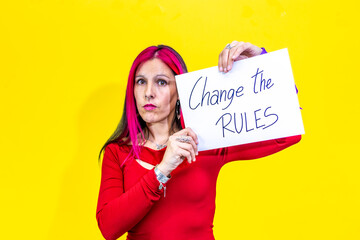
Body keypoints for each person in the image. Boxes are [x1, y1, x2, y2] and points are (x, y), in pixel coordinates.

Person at [96, 41, 301, 240]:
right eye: (141, 81)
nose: (149, 93)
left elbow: (288, 133)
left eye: (161, 82)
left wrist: (262, 61)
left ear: (179, 92)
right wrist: (162, 169)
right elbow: (109, 228)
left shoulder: (206, 140)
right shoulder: (118, 152)